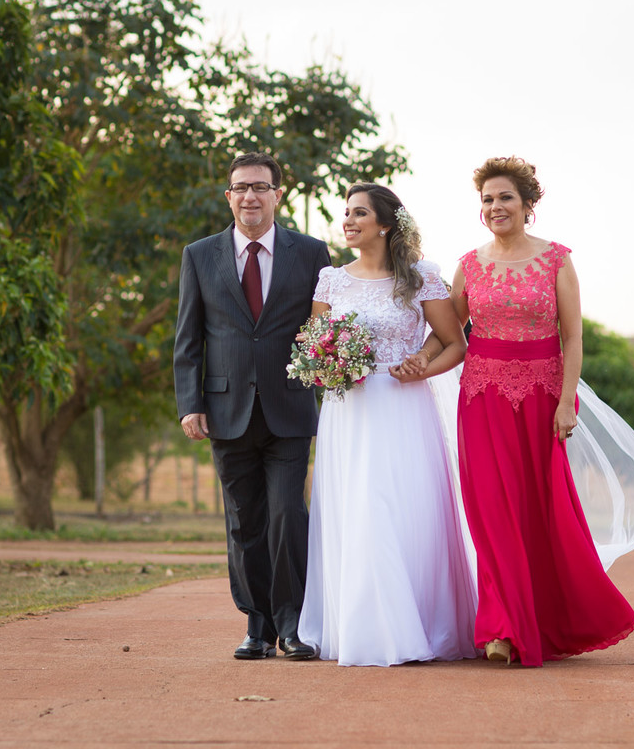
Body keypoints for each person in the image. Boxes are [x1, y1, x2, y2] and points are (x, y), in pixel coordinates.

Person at [417, 156, 634, 667]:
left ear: (528, 205)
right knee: (492, 511)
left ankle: (547, 619)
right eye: (488, 200)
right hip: (482, 399)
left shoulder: (557, 260)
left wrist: (567, 401)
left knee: (542, 510)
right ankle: (501, 627)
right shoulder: (469, 265)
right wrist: (421, 360)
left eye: (505, 198)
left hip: (542, 400)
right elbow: (448, 331)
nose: (496, 207)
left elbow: (573, 336)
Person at [297, 182, 478, 666]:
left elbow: (454, 342)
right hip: (349, 411)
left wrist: (422, 364)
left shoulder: (421, 277)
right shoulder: (331, 280)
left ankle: (420, 623)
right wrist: (329, 366)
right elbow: (316, 346)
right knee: (359, 507)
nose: (348, 221)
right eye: (346, 213)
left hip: (404, 406)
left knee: (404, 510)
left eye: (359, 213)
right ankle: (366, 629)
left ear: (384, 223)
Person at [173, 152, 332, 660]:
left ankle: (291, 625)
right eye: (241, 187)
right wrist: (189, 403)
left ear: (277, 195)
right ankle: (257, 625)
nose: (250, 196)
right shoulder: (199, 255)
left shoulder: (310, 253)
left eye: (260, 187)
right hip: (226, 409)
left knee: (288, 515)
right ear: (229, 196)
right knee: (244, 523)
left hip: (289, 409)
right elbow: (188, 338)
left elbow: (324, 331)